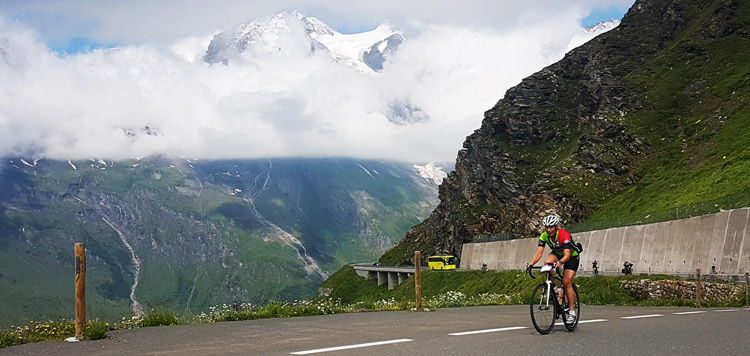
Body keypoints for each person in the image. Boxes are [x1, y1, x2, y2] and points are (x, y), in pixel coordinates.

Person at [526, 214, 579, 323]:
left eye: (551, 227)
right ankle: (554, 288)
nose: (549, 230)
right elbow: (539, 252)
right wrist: (531, 263)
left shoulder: (564, 235)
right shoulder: (544, 236)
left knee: (566, 281)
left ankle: (572, 312)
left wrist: (560, 262)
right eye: (547, 227)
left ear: (556, 227)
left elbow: (567, 255)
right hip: (557, 253)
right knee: (547, 263)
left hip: (571, 256)